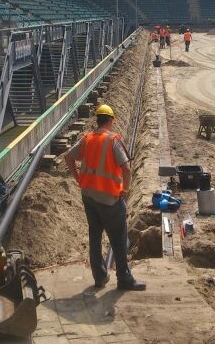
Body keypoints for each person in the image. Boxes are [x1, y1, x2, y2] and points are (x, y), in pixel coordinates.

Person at [64, 104, 146, 291]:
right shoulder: (113, 140)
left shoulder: (87, 138)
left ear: (97, 120)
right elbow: (126, 169)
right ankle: (124, 279)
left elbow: (68, 158)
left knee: (95, 236)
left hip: (89, 197)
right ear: (110, 120)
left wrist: (79, 180)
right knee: (118, 239)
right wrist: (125, 190)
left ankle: (100, 277)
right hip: (109, 199)